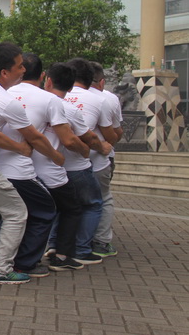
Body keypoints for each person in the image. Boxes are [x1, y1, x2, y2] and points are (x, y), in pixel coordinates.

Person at [0, 43, 62, 282]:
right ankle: (7, 267)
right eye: (19, 66)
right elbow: (32, 138)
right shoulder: (8, 101)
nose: (23, 70)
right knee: (27, 212)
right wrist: (56, 157)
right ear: (4, 72)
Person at [15, 58, 86, 272]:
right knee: (69, 208)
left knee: (27, 212)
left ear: (48, 80)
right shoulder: (54, 103)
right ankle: (58, 255)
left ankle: (17, 254)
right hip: (48, 170)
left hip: (19, 168)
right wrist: (84, 152)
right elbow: (69, 140)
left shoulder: (10, 96)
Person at [64, 58, 117, 265]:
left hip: (59, 163)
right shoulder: (103, 99)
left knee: (67, 204)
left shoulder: (56, 96)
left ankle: (60, 246)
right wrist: (103, 146)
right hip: (94, 161)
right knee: (100, 201)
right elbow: (110, 135)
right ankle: (97, 243)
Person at [89, 62, 123, 258]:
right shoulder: (108, 98)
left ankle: (75, 240)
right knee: (103, 197)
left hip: (69, 159)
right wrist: (105, 143)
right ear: (101, 82)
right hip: (102, 157)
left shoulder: (65, 95)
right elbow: (115, 133)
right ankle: (101, 241)